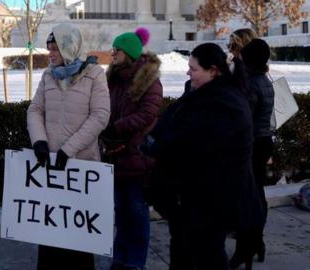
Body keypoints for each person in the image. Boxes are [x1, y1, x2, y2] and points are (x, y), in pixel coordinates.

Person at [142, 43, 264, 270]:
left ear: (213, 70)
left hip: (211, 202)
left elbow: (190, 143)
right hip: (193, 200)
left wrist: (156, 146)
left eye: (194, 68)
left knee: (207, 255)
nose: (188, 72)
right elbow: (172, 123)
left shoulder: (225, 103)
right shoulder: (201, 94)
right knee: (185, 251)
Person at [27, 23, 110, 270]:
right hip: (50, 168)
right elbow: (35, 110)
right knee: (50, 235)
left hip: (80, 167)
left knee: (78, 240)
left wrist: (68, 149)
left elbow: (100, 115)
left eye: (55, 48)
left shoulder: (94, 74)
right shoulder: (48, 75)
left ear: (69, 47)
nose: (50, 54)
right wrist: (39, 140)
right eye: (49, 48)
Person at [100, 27, 163, 270]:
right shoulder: (112, 78)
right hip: (115, 157)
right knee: (121, 212)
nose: (112, 54)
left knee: (137, 212)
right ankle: (120, 258)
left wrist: (116, 128)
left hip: (136, 157)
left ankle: (135, 261)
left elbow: (148, 114)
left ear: (128, 52)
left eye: (116, 50)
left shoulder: (149, 81)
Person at [229, 38, 275, 269]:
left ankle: (246, 248)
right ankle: (256, 243)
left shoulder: (252, 85)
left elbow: (242, 117)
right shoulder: (265, 81)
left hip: (252, 144)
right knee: (257, 196)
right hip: (263, 141)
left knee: (248, 199)